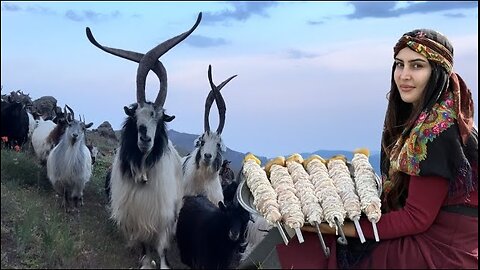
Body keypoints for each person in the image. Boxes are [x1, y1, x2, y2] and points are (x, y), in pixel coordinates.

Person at [274, 29, 478, 269]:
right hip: (449, 232)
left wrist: (338, 227)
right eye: (399, 65)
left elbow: (416, 220)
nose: (404, 75)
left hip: (443, 247)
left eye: (417, 66)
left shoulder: (435, 132)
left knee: (327, 246)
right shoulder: (436, 114)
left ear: (438, 72)